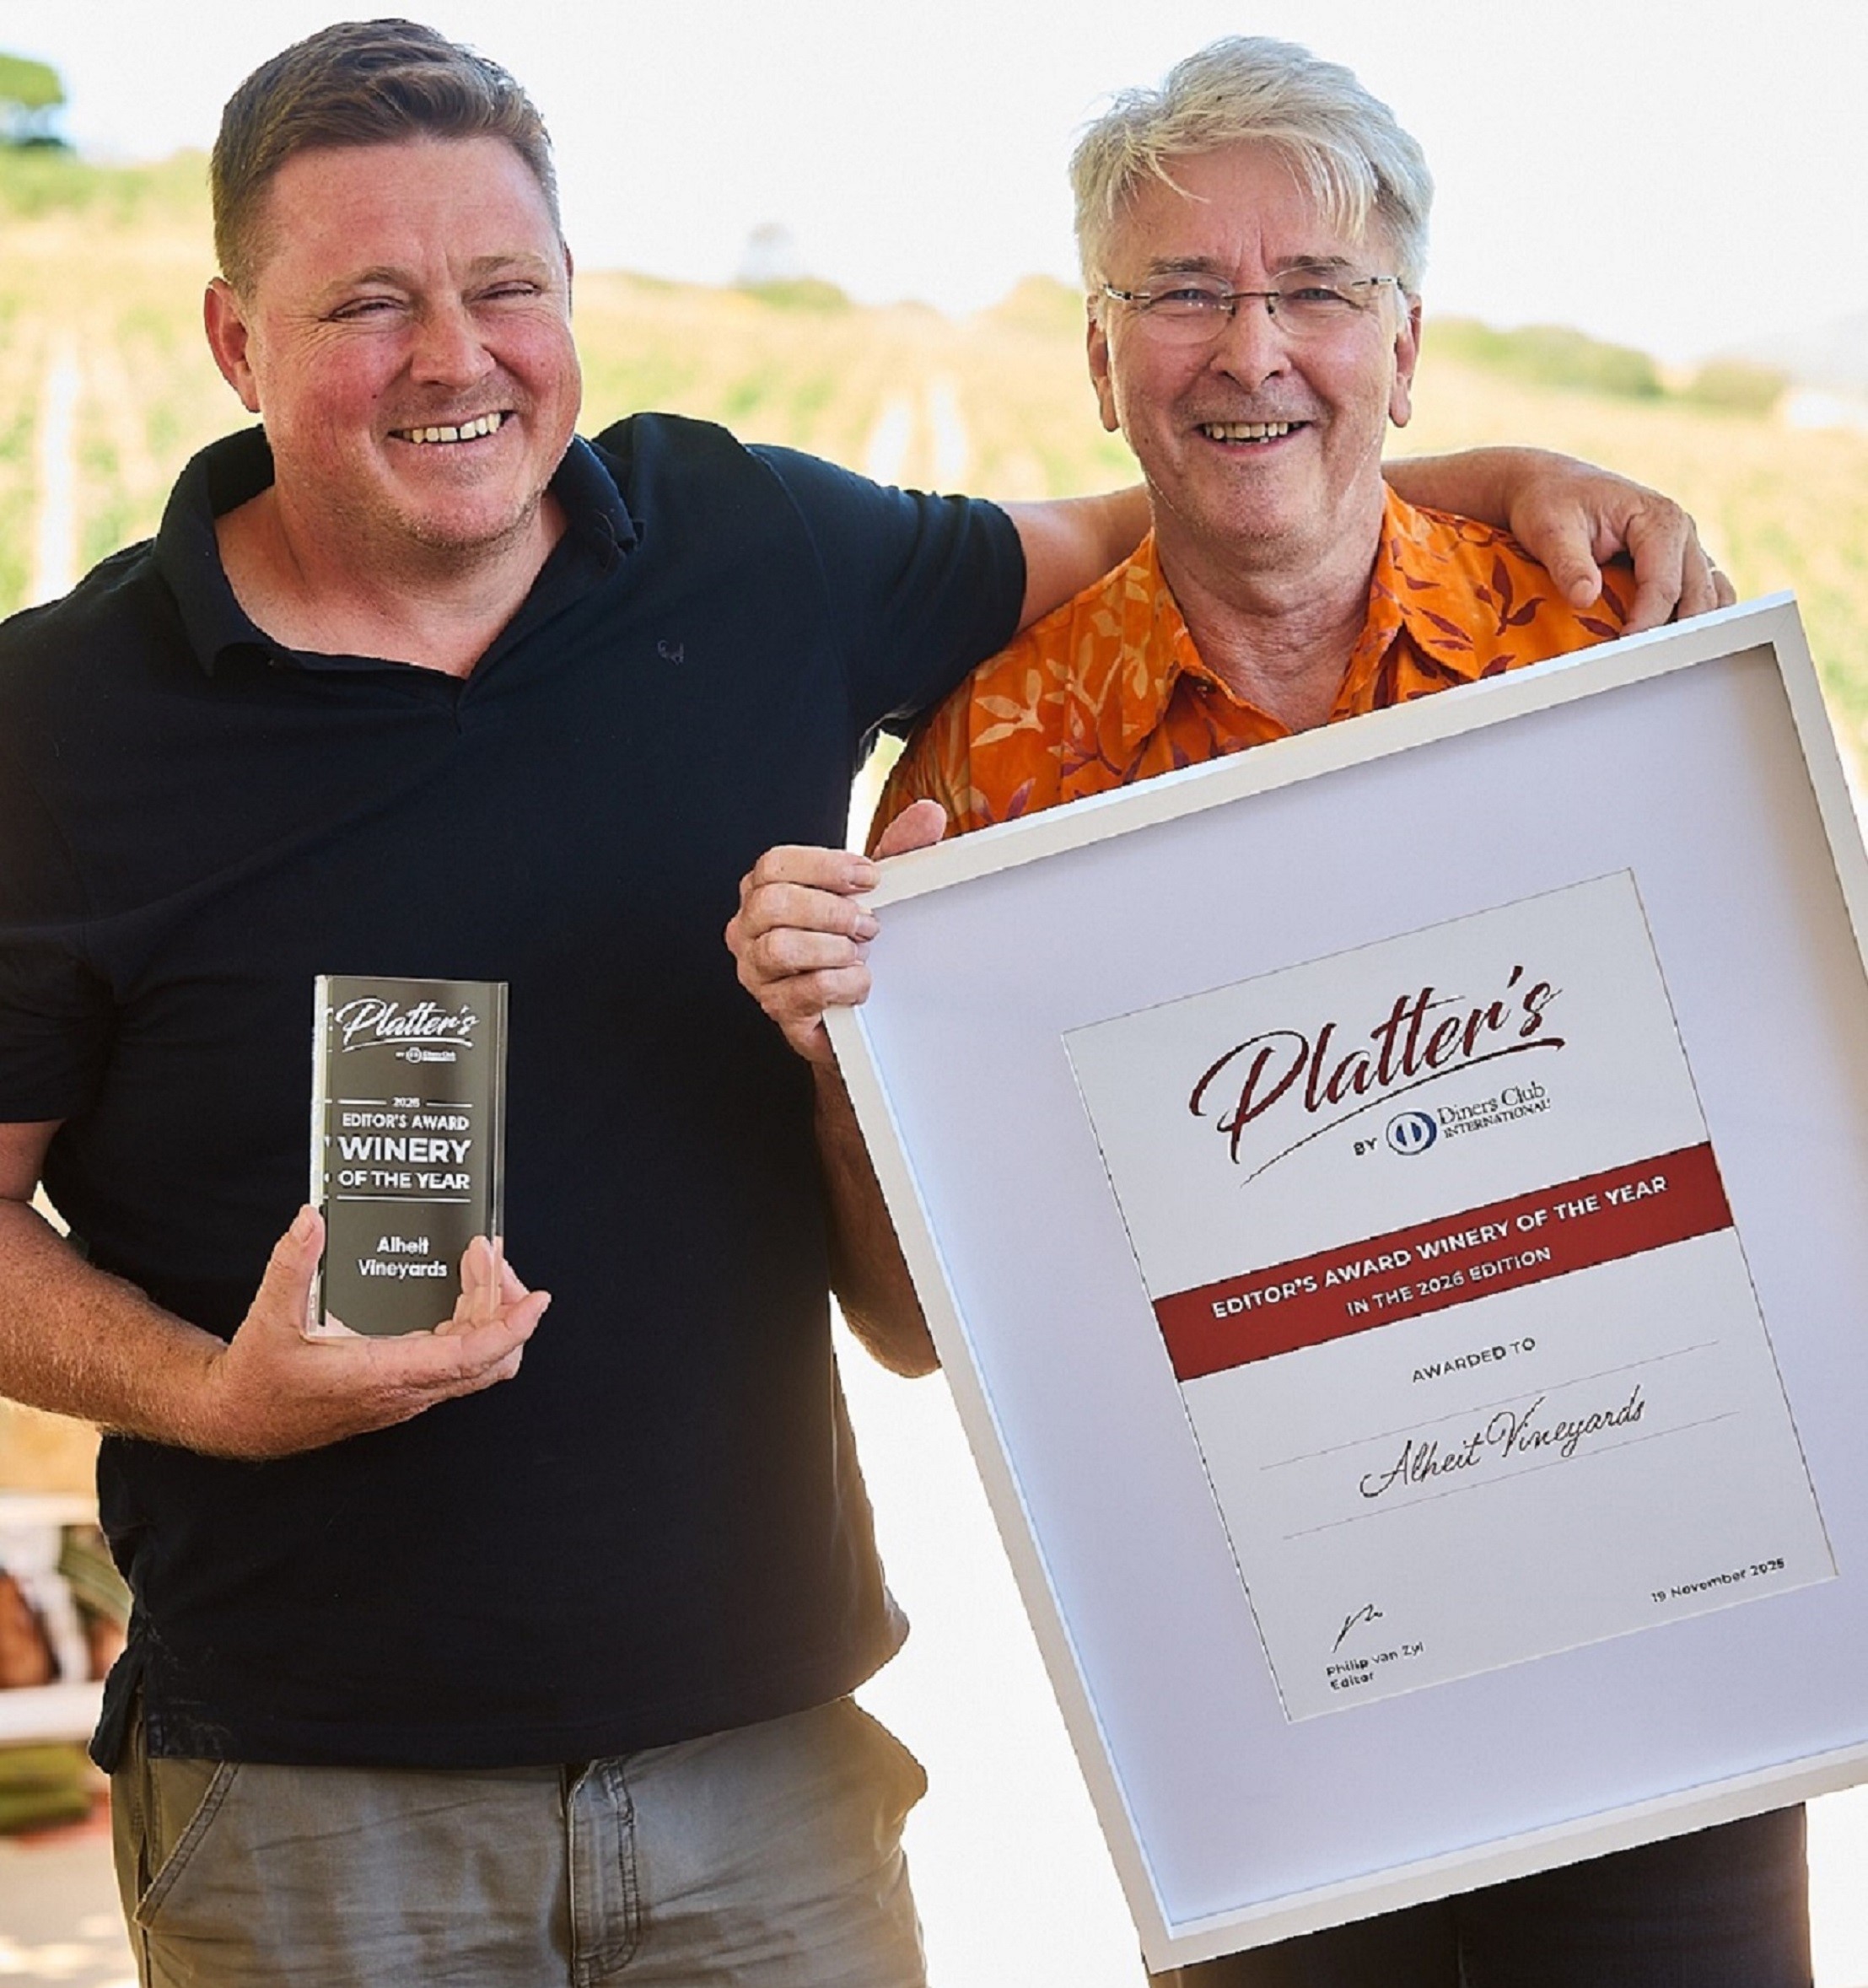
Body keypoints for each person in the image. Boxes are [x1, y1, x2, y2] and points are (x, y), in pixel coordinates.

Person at [0, 19, 1727, 1987]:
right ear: (236, 341)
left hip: (766, 1775)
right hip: (313, 1797)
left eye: (503, 287)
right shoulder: (58, 722)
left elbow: (1191, 506)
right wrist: (208, 1395)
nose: (453, 357)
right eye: (367, 304)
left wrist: (1507, 476)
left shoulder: (750, 550)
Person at [725, 35, 1807, 1988]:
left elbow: (1791, 1111)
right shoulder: (990, 774)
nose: (1251, 350)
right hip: (1260, 1720)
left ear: (1405, 346)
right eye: (1182, 293)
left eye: (1314, 287)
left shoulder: (1612, 649)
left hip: (1670, 1668)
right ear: (1099, 359)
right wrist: (839, 1066)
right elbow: (908, 1327)